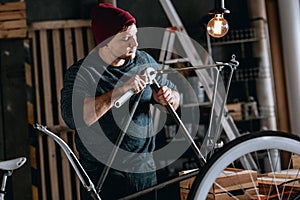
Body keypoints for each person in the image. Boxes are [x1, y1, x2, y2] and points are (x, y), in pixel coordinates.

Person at [60, 3, 180, 200]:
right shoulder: (83, 73)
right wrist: (123, 89)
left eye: (135, 35)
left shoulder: (144, 61)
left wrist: (168, 98)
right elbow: (75, 119)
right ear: (104, 42)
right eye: (126, 38)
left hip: (142, 168)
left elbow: (174, 98)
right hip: (102, 171)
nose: (135, 44)